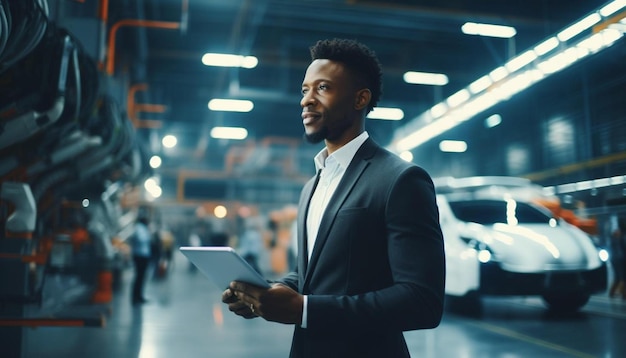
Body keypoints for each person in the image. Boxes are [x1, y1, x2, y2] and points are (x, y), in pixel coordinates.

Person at [222, 38, 446, 357]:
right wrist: (268, 294)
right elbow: (314, 273)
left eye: (322, 88)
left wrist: (305, 310)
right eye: (304, 90)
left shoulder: (401, 180)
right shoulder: (312, 185)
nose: (306, 101)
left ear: (360, 99)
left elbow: (422, 302)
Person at [130, 214, 152, 305]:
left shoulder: (142, 228)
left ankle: (139, 296)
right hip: (140, 256)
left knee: (141, 277)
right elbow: (142, 239)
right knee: (139, 277)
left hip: (143, 255)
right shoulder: (139, 228)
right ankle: (136, 297)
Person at [608, 213, 625, 298]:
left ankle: (612, 293)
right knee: (623, 277)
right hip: (620, 259)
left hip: (615, 258)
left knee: (617, 277)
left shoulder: (614, 235)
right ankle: (623, 294)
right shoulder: (620, 236)